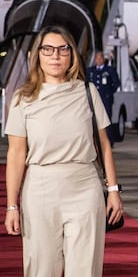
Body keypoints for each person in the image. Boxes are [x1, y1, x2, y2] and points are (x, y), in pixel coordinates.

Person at [3, 25, 123, 276]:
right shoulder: (22, 99)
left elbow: (104, 145)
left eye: (62, 49)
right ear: (37, 55)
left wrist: (113, 191)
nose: (55, 56)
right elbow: (15, 155)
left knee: (85, 268)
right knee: (41, 268)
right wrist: (11, 206)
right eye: (47, 49)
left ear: (72, 55)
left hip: (85, 187)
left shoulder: (88, 92)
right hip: (40, 190)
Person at [86, 50, 120, 147]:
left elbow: (116, 83)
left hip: (106, 99)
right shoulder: (90, 70)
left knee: (106, 119)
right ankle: (94, 141)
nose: (98, 60)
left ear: (104, 59)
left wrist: (109, 93)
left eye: (100, 58)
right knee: (93, 119)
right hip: (93, 99)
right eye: (97, 58)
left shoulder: (109, 70)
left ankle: (109, 141)